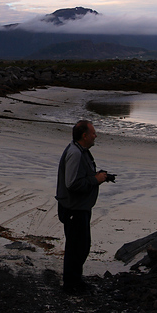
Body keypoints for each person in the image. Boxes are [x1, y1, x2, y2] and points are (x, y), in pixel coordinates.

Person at [55, 119, 110, 294]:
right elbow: (71, 183)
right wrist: (95, 179)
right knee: (77, 247)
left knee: (81, 246)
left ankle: (74, 281)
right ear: (84, 136)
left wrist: (100, 176)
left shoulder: (81, 151)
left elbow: (80, 176)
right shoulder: (75, 153)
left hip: (80, 208)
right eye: (93, 133)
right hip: (74, 209)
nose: (96, 136)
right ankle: (71, 285)